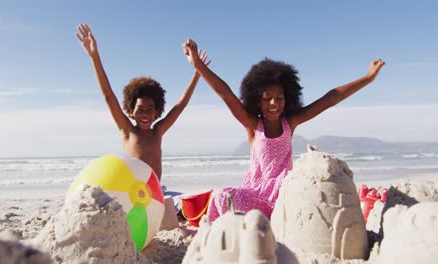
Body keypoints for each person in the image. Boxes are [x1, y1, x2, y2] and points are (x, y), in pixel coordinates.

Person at [182, 39, 385, 220]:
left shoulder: (291, 122)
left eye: (279, 98)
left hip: (284, 195)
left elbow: (330, 98)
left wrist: (368, 78)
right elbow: (226, 94)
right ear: (257, 100)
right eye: (267, 98)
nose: (273, 103)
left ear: (287, 98)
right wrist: (198, 66)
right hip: (255, 196)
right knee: (221, 196)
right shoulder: (253, 125)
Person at [75, 24, 210, 181]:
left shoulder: (158, 131)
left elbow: (181, 105)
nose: (145, 114)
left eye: (150, 108)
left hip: (155, 196)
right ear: (131, 111)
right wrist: (94, 56)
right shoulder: (127, 131)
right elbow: (108, 95)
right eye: (140, 109)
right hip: (132, 196)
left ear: (157, 111)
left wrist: (198, 71)